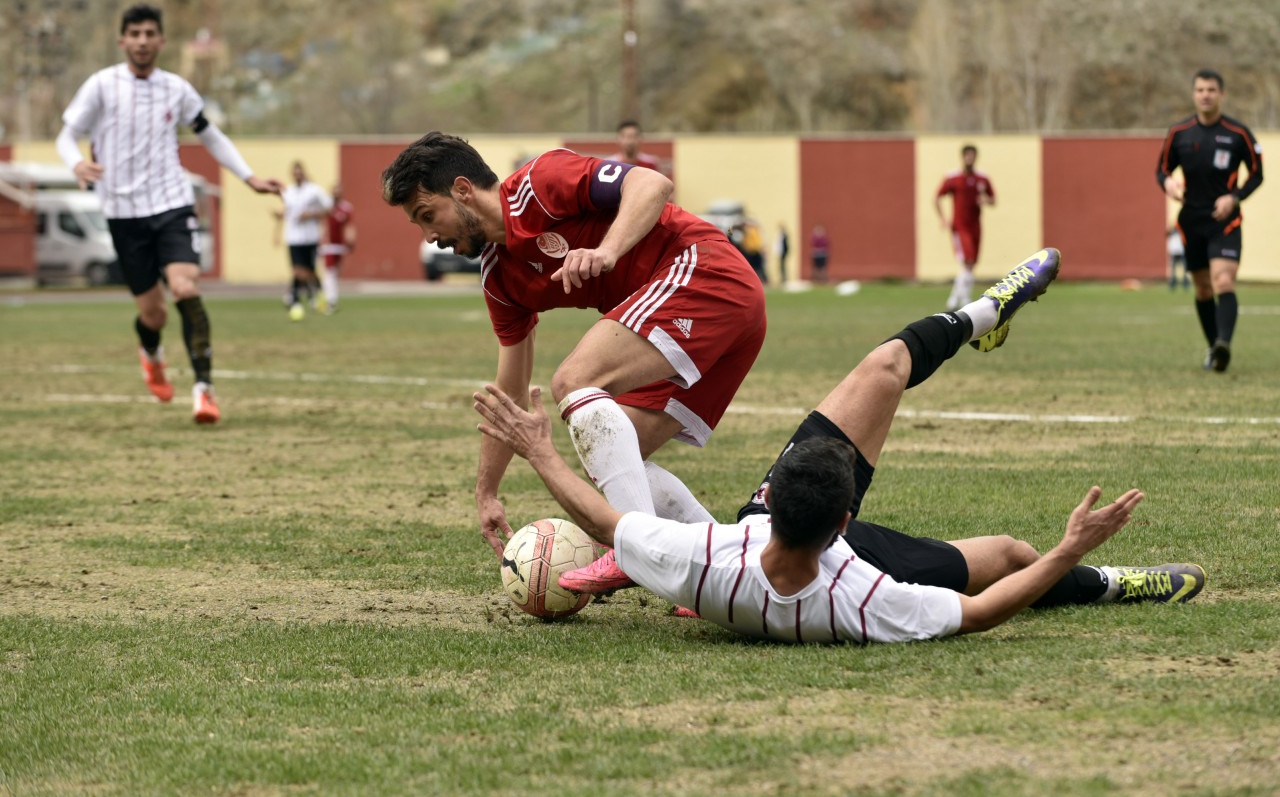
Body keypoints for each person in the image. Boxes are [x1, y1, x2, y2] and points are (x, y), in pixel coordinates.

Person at [476, 247, 1207, 644]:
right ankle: (1119, 582)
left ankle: (987, 312)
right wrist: (1071, 552)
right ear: (845, 522)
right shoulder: (862, 598)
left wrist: (541, 454)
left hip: (743, 556)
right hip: (851, 558)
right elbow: (984, 611)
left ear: (767, 497)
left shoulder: (708, 561)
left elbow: (609, 522)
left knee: (883, 370)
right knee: (1016, 554)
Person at [381, 132, 767, 592]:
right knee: (615, 448)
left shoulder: (538, 185)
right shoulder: (500, 277)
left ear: (463, 190)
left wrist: (607, 251)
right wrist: (486, 491)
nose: (430, 236)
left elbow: (652, 185)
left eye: (428, 217)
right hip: (724, 311)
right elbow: (510, 391)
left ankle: (634, 549)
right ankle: (725, 574)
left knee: (575, 380)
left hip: (703, 270)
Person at [56, 3, 282, 425]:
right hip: (123, 213)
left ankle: (204, 391)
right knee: (153, 314)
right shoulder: (102, 86)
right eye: (134, 34)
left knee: (185, 286)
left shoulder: (177, 89)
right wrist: (75, 163)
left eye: (149, 34)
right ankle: (151, 352)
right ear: (122, 40)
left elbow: (210, 135)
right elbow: (67, 135)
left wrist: (248, 177)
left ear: (161, 40)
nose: (142, 41)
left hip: (172, 204)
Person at [1156, 69, 1264, 373]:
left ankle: (1224, 344)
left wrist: (1235, 197)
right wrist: (1169, 184)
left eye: (1211, 90)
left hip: (1224, 222)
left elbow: (1257, 174)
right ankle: (1214, 348)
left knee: (1223, 280)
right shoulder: (1179, 134)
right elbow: (1162, 170)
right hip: (1191, 220)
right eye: (1200, 89)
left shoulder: (1237, 133)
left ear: (1221, 94)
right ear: (1194, 94)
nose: (1206, 95)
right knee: (1203, 289)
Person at [935, 144, 996, 312]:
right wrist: (942, 218)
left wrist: (986, 200)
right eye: (967, 155)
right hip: (960, 226)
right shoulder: (953, 178)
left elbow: (993, 200)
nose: (970, 158)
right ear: (962, 157)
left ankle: (954, 297)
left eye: (973, 155)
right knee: (967, 261)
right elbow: (937, 197)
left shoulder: (982, 179)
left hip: (975, 226)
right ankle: (966, 299)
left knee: (971, 264)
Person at [275, 160, 332, 321]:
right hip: (293, 238)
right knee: (297, 271)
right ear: (292, 174)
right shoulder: (288, 192)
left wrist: (312, 215)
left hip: (310, 237)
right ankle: (295, 300)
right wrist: (279, 220)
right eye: (295, 172)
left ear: (303, 172)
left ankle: (316, 296)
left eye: (300, 171)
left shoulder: (314, 190)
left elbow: (328, 208)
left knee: (310, 272)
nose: (297, 174)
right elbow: (287, 212)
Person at [320, 181, 357, 314]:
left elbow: (349, 225)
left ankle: (330, 298)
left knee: (335, 274)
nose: (336, 192)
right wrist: (321, 239)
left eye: (338, 190)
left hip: (340, 246)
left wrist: (351, 239)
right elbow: (321, 223)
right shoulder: (326, 207)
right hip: (328, 246)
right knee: (329, 272)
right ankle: (330, 300)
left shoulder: (346, 208)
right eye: (334, 190)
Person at [1167, 224, 1190, 291]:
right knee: (1173, 269)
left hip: (1181, 252)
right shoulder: (1172, 233)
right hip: (1174, 253)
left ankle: (1185, 282)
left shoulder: (1181, 232)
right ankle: (1173, 282)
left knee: (1185, 268)